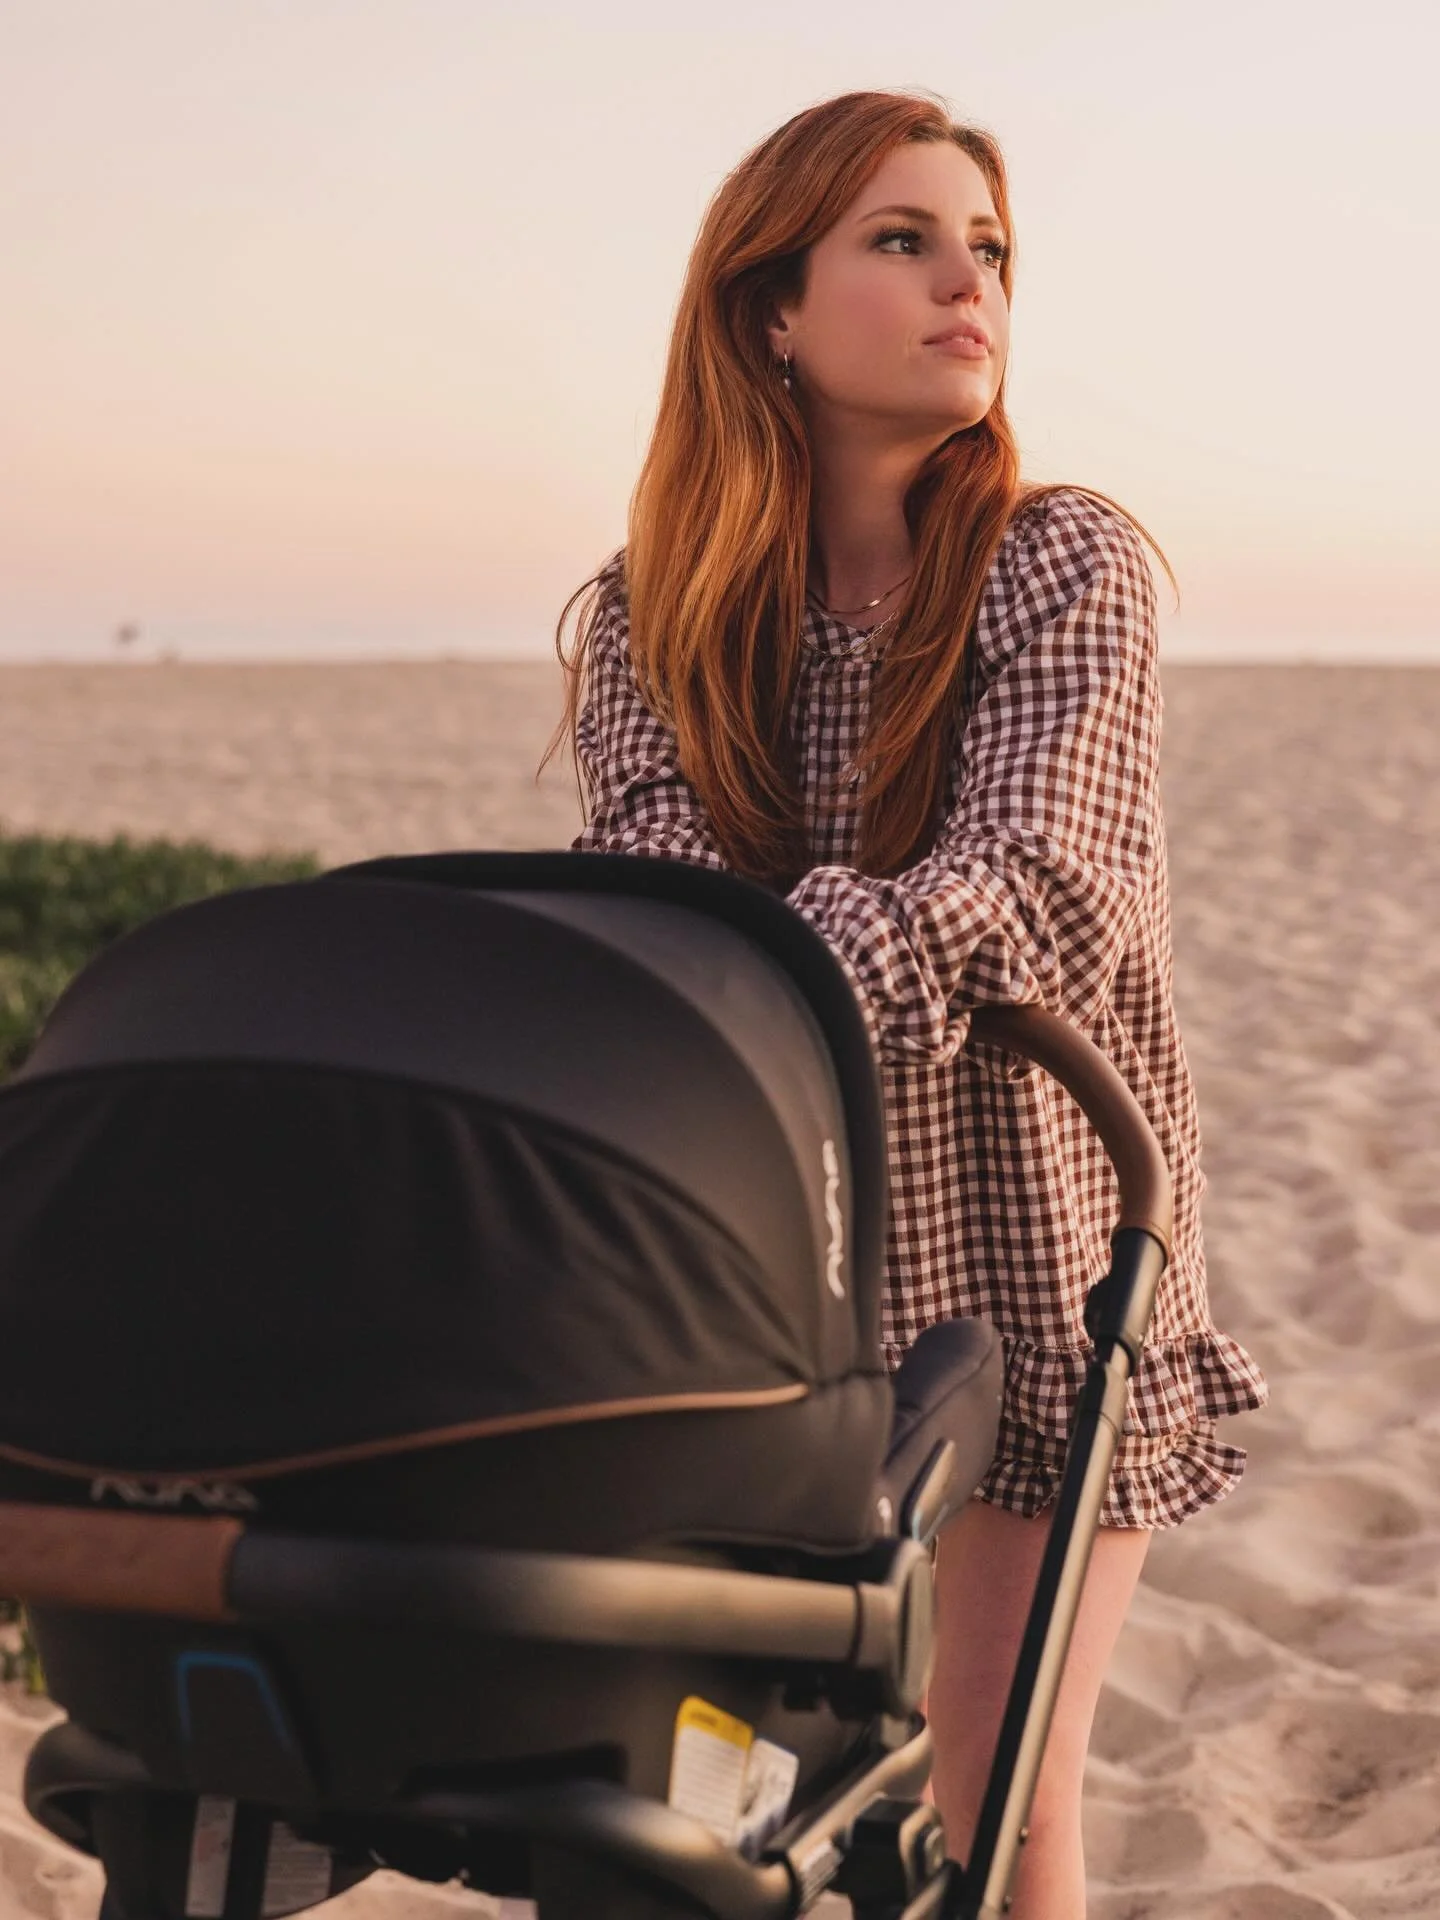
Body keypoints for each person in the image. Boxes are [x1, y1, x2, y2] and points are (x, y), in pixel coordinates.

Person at [547, 89, 1267, 1918]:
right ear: (768, 313)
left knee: (991, 1803)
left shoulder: (1062, 563)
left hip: (1036, 1269)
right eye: (903, 238)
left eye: (991, 249)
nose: (971, 283)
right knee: (743, 1805)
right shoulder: (656, 618)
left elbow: (1031, 891)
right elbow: (650, 916)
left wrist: (757, 974)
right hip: (774, 1295)